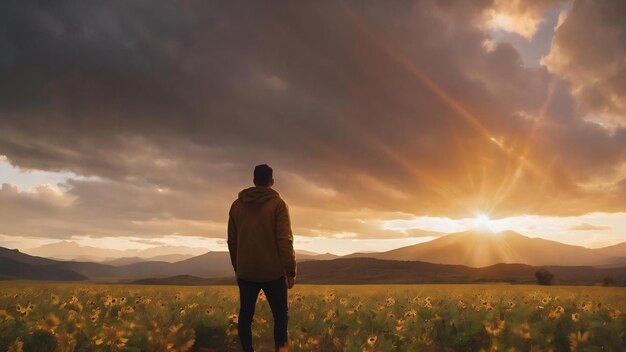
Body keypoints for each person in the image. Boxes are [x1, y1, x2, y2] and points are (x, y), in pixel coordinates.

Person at [227, 164, 297, 352]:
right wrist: (290, 270)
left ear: (254, 181)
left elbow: (232, 241)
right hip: (273, 272)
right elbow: (284, 240)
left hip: (246, 271)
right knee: (281, 317)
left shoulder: (237, 205)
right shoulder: (278, 205)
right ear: (271, 182)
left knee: (245, 316)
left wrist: (237, 267)